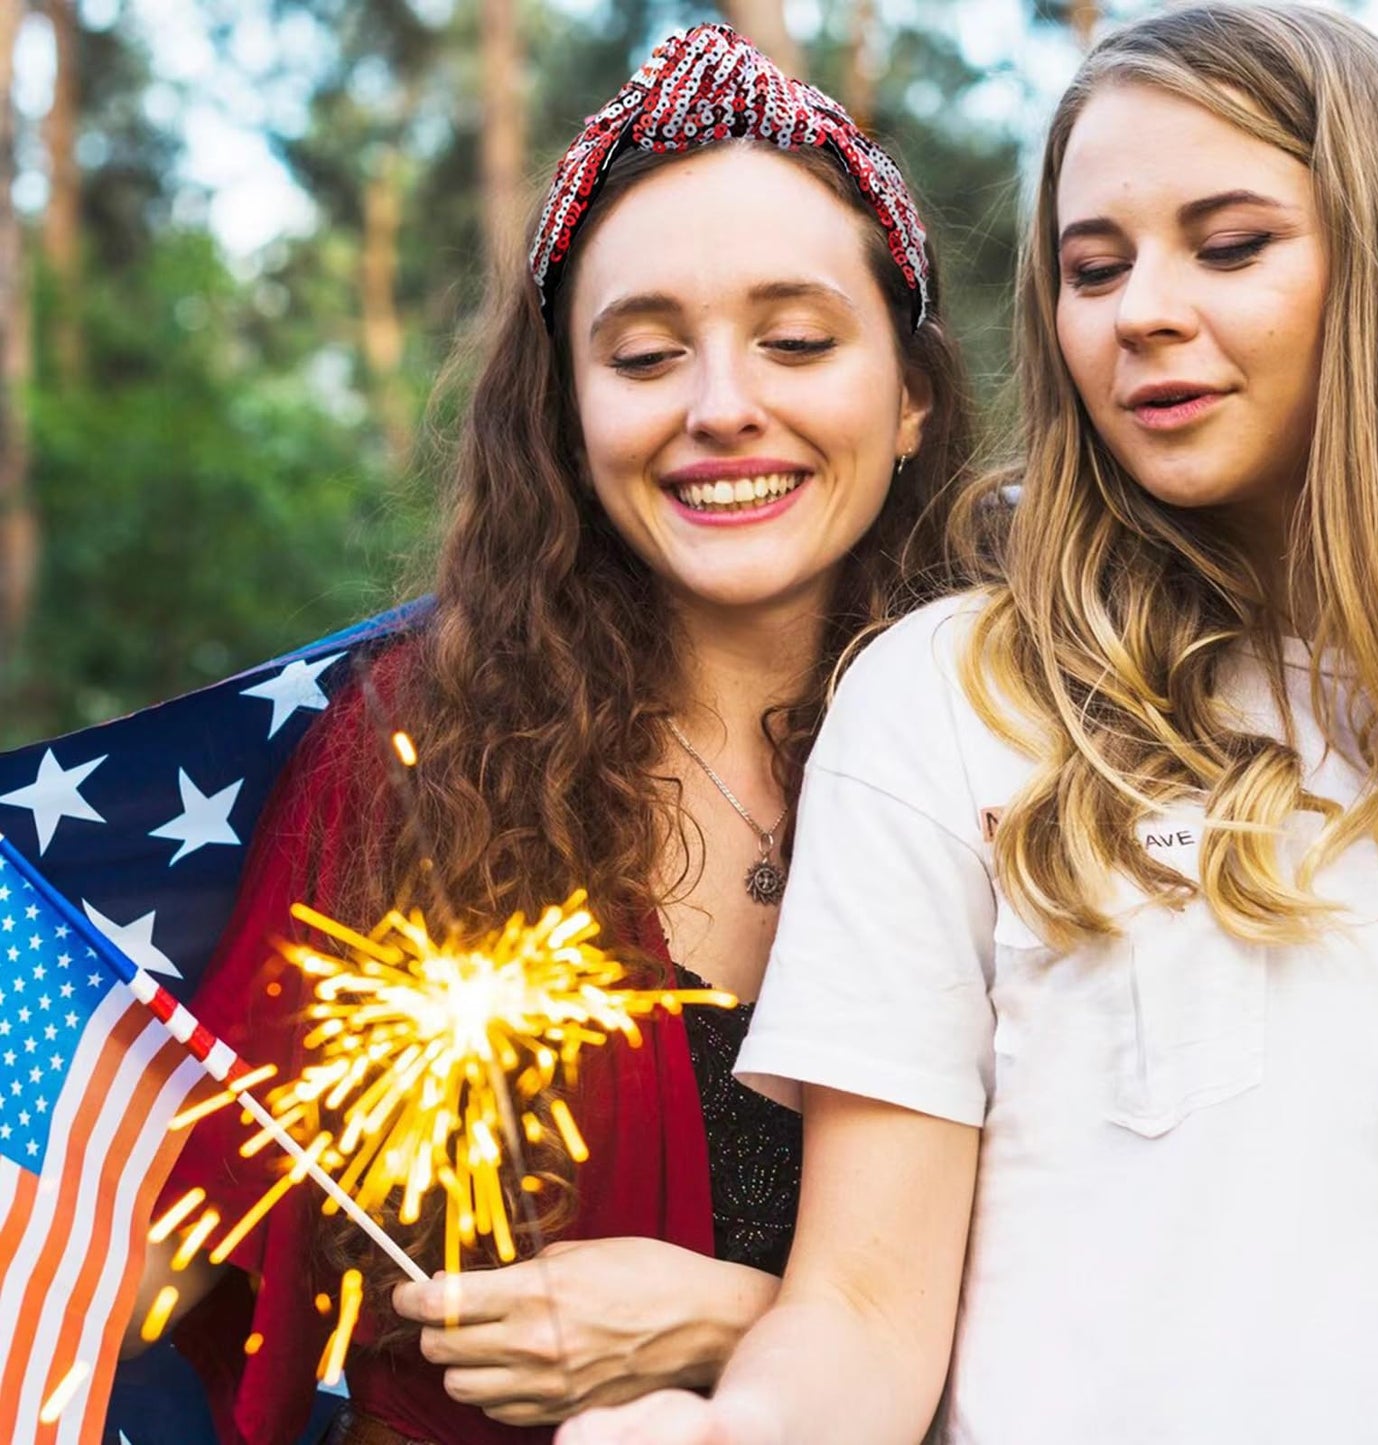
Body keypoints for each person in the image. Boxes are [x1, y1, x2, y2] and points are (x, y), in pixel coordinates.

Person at [557, 6, 1378, 1444]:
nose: (1138, 309)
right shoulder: (954, 698)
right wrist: (735, 1432)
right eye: (1091, 267)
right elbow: (863, 1305)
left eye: (1228, 245)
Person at [123, 23, 973, 1445]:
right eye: (642, 354)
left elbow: (1122, 1287)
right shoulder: (411, 754)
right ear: (567, 418)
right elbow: (191, 1226)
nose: (720, 407)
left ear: (910, 398)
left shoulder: (1026, 752)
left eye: (798, 341)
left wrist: (733, 1319)